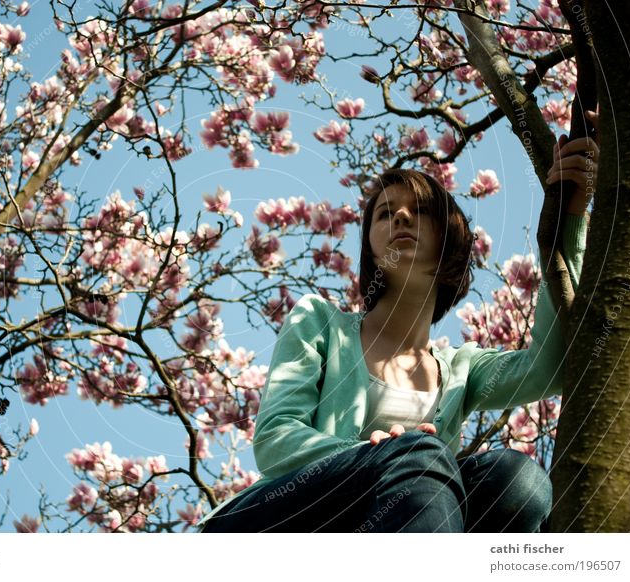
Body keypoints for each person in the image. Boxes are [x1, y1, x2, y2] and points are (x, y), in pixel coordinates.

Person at [198, 116, 598, 533]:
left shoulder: (462, 370)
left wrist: (568, 219)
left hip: (404, 520)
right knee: (418, 455)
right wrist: (382, 454)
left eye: (421, 210)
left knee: (518, 481)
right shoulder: (320, 323)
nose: (402, 217)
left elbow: (552, 366)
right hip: (278, 523)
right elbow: (276, 439)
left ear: (451, 239)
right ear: (371, 245)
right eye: (386, 213)